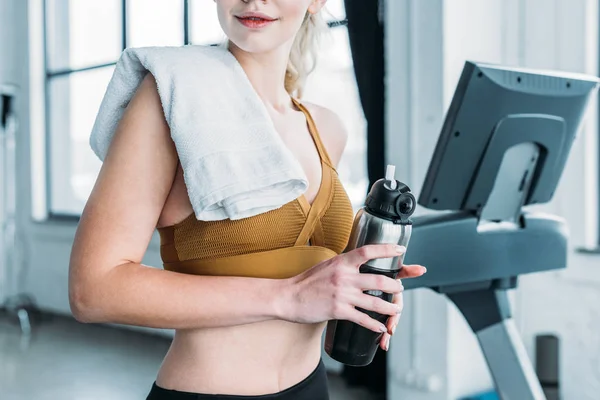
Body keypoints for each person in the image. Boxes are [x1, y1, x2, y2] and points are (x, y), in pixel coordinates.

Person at [68, 0, 427, 399]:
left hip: (311, 387)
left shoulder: (327, 128)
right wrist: (288, 297)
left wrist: (355, 289)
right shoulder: (171, 100)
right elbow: (92, 290)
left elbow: (311, 283)